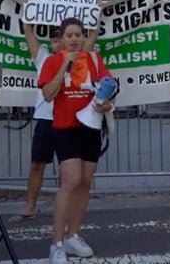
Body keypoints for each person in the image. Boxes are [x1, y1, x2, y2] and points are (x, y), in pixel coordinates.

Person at [38, 18, 114, 264]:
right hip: (65, 127)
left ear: (83, 37)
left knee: (84, 182)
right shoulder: (52, 61)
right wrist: (64, 66)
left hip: (90, 127)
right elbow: (48, 95)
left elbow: (108, 88)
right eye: (69, 35)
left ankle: (73, 235)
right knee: (70, 181)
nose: (74, 39)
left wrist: (107, 105)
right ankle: (56, 243)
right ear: (61, 38)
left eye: (78, 34)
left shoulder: (93, 60)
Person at [10, 23, 97, 223]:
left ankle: (68, 211)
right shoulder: (44, 59)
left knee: (69, 173)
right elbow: (29, 33)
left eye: (62, 39)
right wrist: (26, 13)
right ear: (52, 42)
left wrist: (96, 15)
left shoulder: (80, 56)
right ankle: (29, 207)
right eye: (56, 40)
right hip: (46, 120)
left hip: (69, 122)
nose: (59, 44)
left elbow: (91, 36)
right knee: (37, 165)